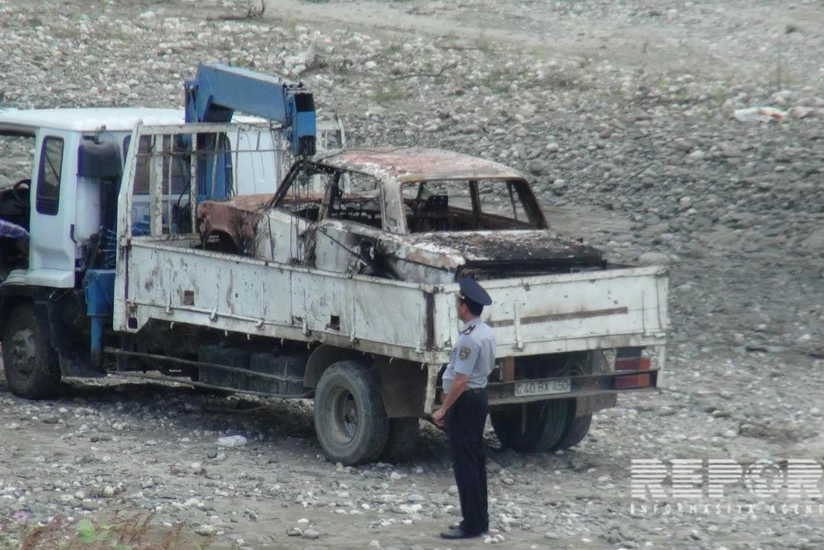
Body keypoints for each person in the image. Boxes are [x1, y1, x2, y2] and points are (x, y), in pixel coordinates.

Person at [432, 276, 497, 540]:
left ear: (464, 308)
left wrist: (443, 409)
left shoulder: (469, 339)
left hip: (466, 401)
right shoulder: (485, 332)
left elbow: (460, 380)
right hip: (478, 399)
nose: (457, 306)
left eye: (458, 302)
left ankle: (470, 524)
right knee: (475, 459)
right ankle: (479, 520)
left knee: (465, 464)